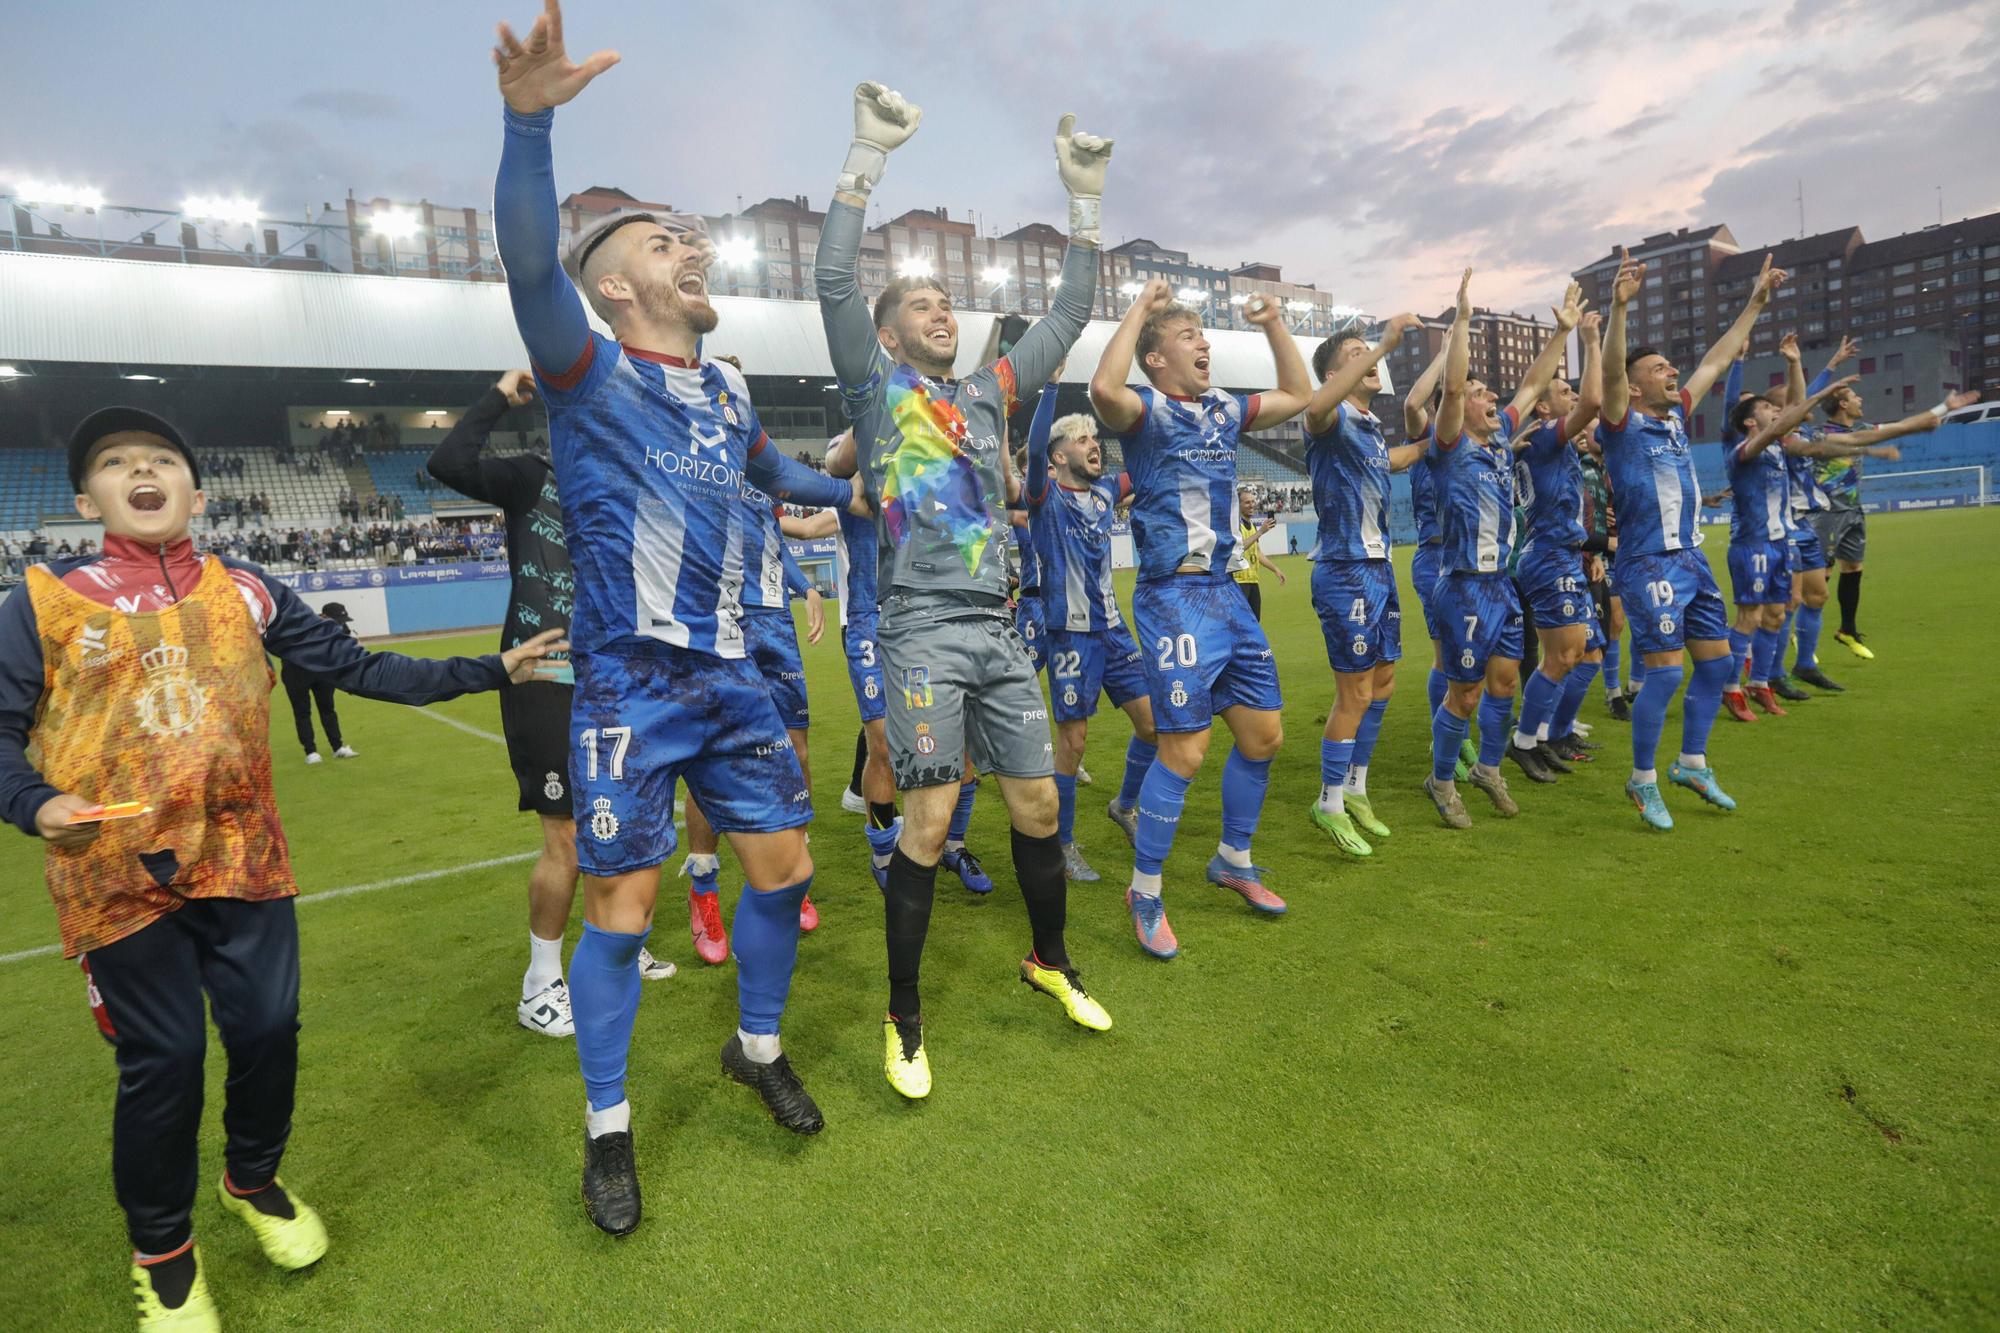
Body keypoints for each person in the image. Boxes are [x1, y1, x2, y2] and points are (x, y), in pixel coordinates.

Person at [0, 406, 565, 1329]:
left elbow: (357, 669)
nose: (142, 471)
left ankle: (252, 1180)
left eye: (161, 459)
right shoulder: (41, 603)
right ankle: (164, 1254)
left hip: (243, 855)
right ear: (86, 499)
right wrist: (33, 802)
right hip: (114, 872)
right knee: (166, 1060)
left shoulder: (248, 590)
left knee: (267, 1030)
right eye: (115, 462)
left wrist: (494, 668)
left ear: (196, 492)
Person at [492, 0, 863, 1235]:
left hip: (734, 678)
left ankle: (754, 1048)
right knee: (623, 908)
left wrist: (849, 493)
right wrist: (528, 128)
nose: (690, 250)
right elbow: (529, 269)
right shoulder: (587, 370)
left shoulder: (726, 392)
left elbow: (776, 473)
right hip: (628, 687)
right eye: (663, 243)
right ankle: (607, 1128)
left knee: (784, 869)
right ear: (615, 284)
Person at [817, 80, 1115, 1100]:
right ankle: (902, 1017)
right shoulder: (877, 391)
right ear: (888, 336)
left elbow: (1069, 312)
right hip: (918, 630)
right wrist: (865, 160)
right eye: (918, 305)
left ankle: (1049, 960)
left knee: (1037, 802)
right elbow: (829, 280)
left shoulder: (991, 391)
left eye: (946, 301)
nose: (940, 310)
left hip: (998, 628)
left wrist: (1082, 206)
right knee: (932, 821)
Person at [427, 370, 676, 1038]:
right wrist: (497, 398)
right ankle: (540, 984)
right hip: (545, 677)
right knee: (565, 837)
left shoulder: (629, 492)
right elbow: (448, 463)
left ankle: (616, 943)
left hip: (614, 682)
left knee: (613, 826)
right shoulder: (534, 478)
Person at [1090, 277, 1312, 957]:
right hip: (1173, 596)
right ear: (1157, 358)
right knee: (1184, 750)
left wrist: (1274, 324)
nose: (1203, 345)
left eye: (1203, 336)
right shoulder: (1145, 410)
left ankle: (1232, 859)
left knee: (1264, 737)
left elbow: (1300, 394)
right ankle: (1145, 890)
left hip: (1227, 593)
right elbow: (1103, 389)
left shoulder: (1224, 410)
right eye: (1188, 337)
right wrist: (1140, 309)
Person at [1597, 248, 1788, 829]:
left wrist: (1754, 303)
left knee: (1716, 664)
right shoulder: (1621, 421)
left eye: (1668, 366)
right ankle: (1642, 779)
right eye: (1658, 369)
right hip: (1647, 563)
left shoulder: (1676, 415)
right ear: (1634, 387)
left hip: (1691, 559)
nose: (1671, 372)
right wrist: (1619, 309)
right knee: (1665, 672)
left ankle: (1692, 764)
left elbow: (1716, 359)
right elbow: (1610, 373)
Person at [1418, 272, 1576, 827]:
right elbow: (1452, 390)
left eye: (1490, 394)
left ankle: (1488, 769)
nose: (1492, 399)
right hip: (1462, 586)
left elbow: (1531, 387)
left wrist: (1563, 333)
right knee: (1463, 695)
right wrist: (1462, 321)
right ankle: (1441, 781)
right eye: (1481, 394)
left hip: (1501, 587)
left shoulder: (1502, 440)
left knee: (1505, 683)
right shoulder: (1449, 444)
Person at [680, 459, 829, 960]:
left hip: (774, 624)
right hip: (720, 620)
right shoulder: (695, 459)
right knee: (712, 758)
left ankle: (792, 876)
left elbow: (773, 540)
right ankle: (703, 889)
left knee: (796, 753)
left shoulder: (764, 471)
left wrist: (806, 586)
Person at [1297, 311, 1424, 856]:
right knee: (1354, 692)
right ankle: (1327, 804)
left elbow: (1396, 459)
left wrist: (1438, 442)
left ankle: (1356, 788)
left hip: (1379, 568)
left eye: (1368, 352)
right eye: (1355, 355)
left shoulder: (1368, 428)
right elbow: (1315, 408)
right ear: (1334, 376)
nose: (1369, 359)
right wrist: (1383, 344)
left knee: (1384, 683)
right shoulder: (1328, 417)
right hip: (1344, 568)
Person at [1022, 381, 1159, 883]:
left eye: (1095, 438)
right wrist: (1050, 387)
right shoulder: (1044, 497)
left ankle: (1124, 805)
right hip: (1070, 635)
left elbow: (1147, 464)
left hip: (1114, 630)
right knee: (1074, 742)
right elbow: (1034, 448)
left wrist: (1151, 406)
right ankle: (1062, 845)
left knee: (1153, 725)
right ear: (1059, 457)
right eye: (1082, 440)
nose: (1094, 445)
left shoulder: (1105, 491)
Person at [1722, 368, 1865, 716]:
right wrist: (1738, 362)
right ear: (1750, 421)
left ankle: (1760, 683)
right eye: (1768, 409)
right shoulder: (1743, 447)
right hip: (1752, 544)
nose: (1777, 412)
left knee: (1776, 614)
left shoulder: (1779, 448)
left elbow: (1795, 410)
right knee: (1750, 617)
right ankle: (1730, 687)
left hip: (1782, 541)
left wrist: (1798, 363)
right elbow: (1786, 414)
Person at [1505, 302, 1605, 778]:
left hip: (1564, 554)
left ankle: (1552, 733)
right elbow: (1594, 404)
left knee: (1588, 654)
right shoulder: (1546, 434)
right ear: (1543, 406)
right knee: (1561, 656)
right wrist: (1589, 342)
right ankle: (1526, 741)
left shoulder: (1554, 441)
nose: (1573, 395)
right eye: (1564, 391)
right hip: (1547, 557)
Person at [1810, 380, 1978, 659]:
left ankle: (1847, 630)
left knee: (1853, 567)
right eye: (1855, 396)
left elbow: (1900, 425)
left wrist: (1944, 408)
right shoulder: (1820, 434)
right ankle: (1803, 638)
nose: (1860, 399)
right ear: (1843, 404)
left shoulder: (1862, 429)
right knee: (1819, 579)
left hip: (1853, 510)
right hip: (1827, 513)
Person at [279, 603, 360, 765]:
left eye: (341, 620)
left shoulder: (340, 627)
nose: (339, 623)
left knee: (328, 709)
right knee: (302, 712)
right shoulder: (302, 624)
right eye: (336, 619)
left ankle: (338, 747)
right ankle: (311, 752)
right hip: (296, 673)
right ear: (323, 616)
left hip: (322, 672)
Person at [1230, 492, 1285, 619]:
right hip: (1239, 582)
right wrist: (1260, 532)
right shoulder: (1235, 526)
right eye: (1247, 502)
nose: (1251, 505)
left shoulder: (1253, 526)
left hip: (1253, 581)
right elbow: (1238, 548)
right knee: (1241, 622)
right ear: (1238, 505)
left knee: (1255, 621)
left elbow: (1257, 553)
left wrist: (1275, 569)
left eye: (1253, 501)